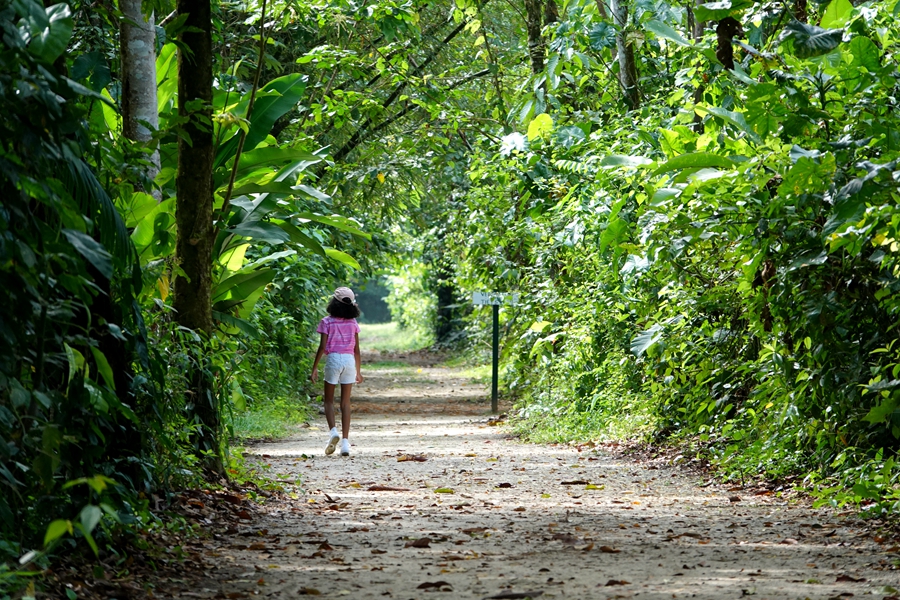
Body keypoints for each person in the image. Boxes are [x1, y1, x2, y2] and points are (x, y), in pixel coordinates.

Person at [310, 287, 363, 456]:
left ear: (334, 302)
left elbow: (322, 347)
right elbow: (357, 350)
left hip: (333, 359)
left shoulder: (326, 322)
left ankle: (333, 432)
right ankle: (346, 444)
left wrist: (314, 368)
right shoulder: (353, 323)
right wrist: (359, 371)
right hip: (349, 361)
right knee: (346, 403)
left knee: (328, 401)